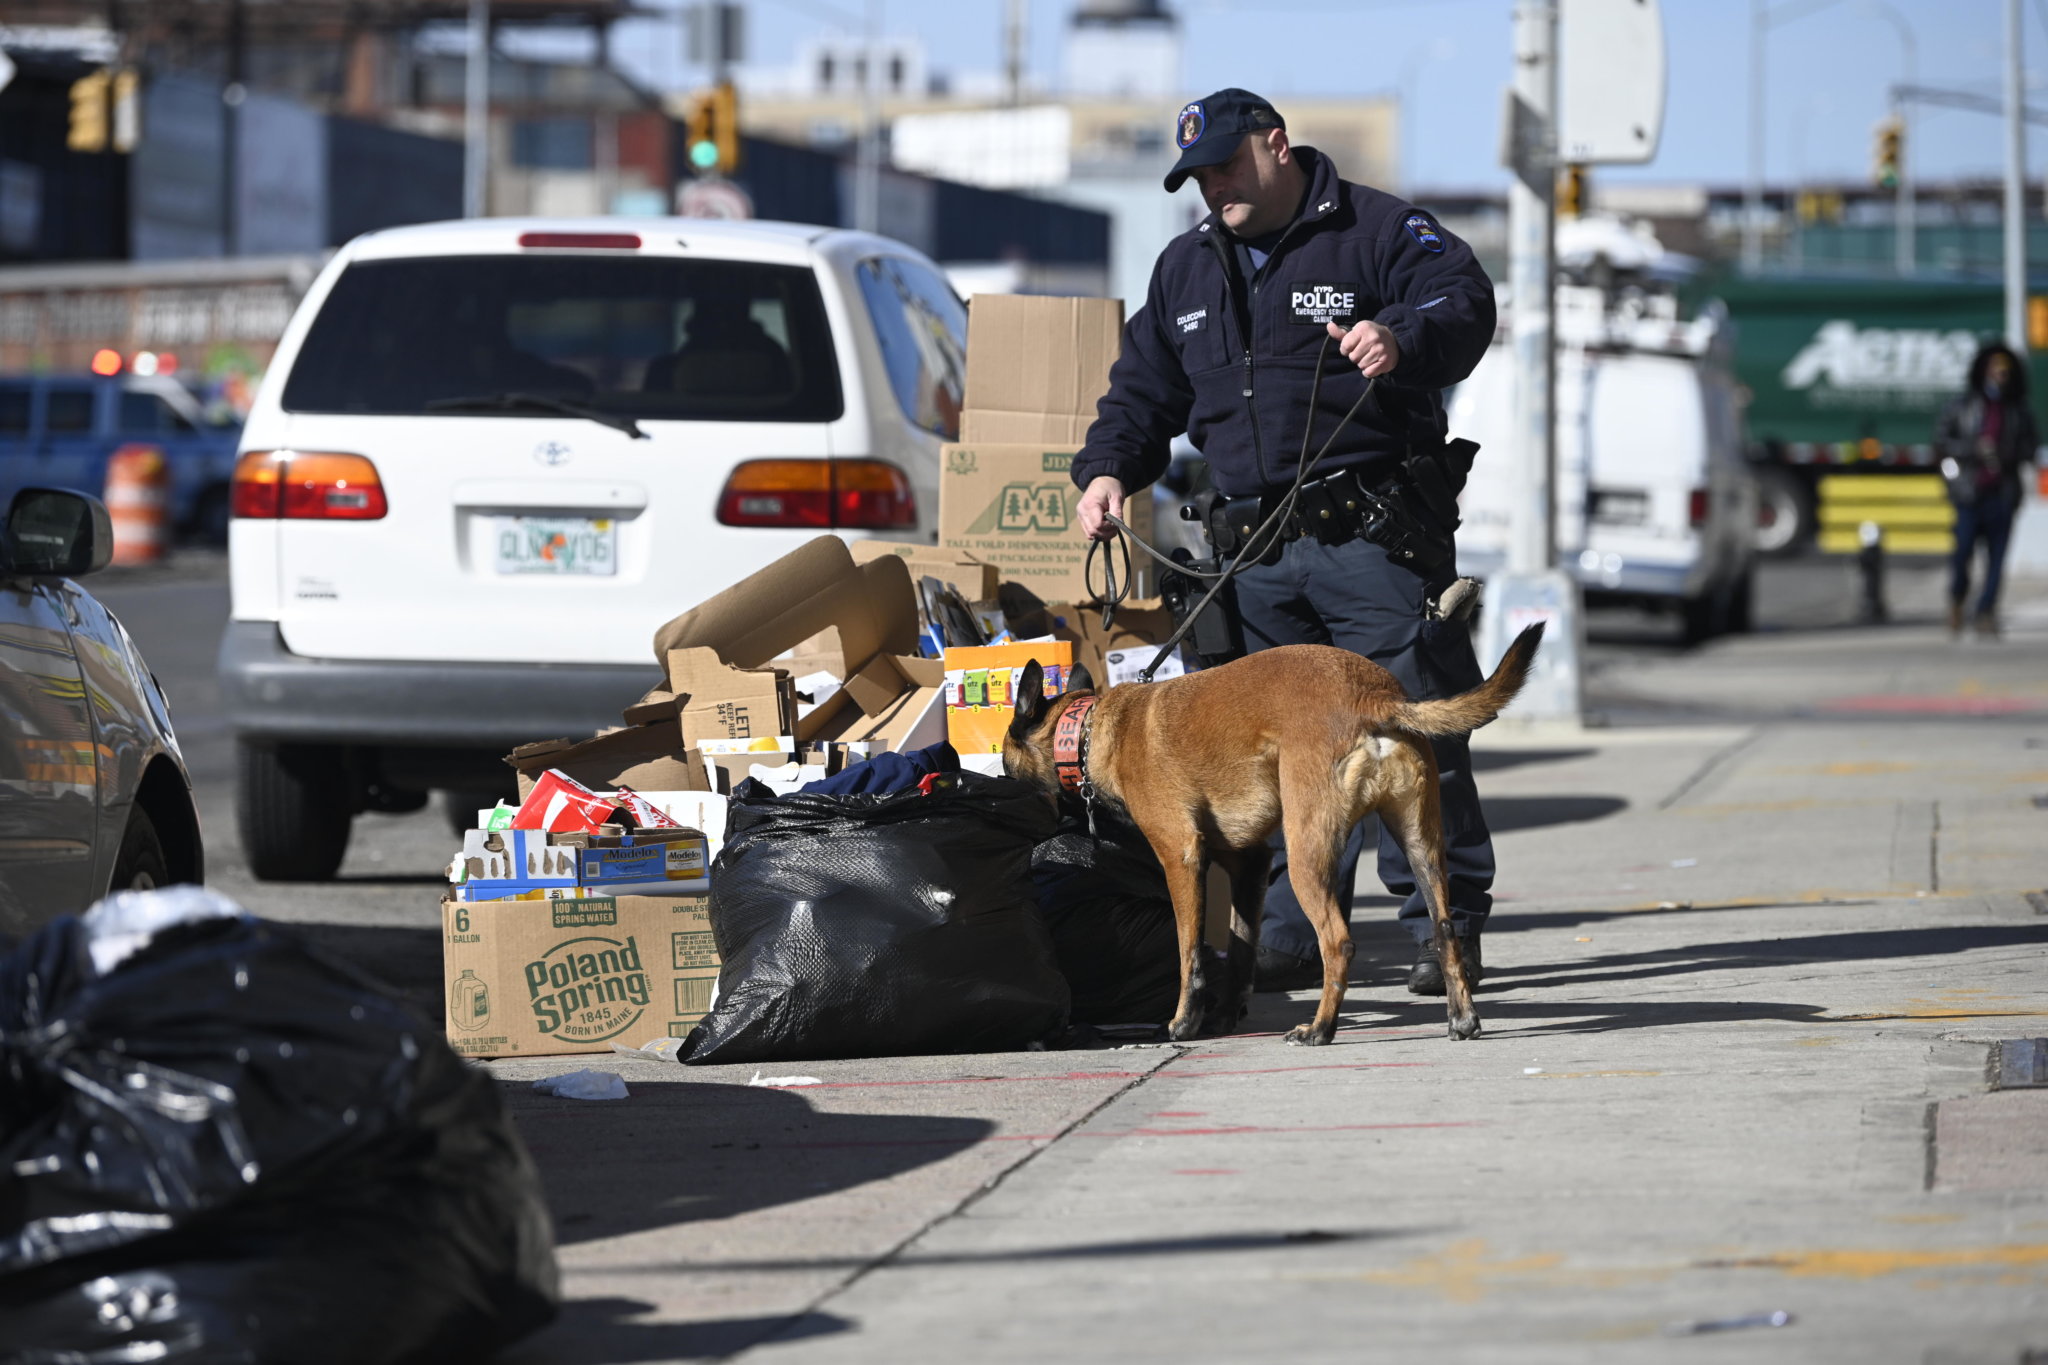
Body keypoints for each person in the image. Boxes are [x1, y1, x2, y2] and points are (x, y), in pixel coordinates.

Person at [1070, 88, 1500, 998]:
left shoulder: (1373, 230)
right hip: (1254, 556)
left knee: (1407, 734)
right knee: (1275, 757)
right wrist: (1106, 470)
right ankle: (1292, 936)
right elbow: (1142, 389)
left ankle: (1444, 930)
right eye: (1198, 177)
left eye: (1227, 166)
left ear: (1277, 145)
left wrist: (1400, 333)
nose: (1213, 187)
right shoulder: (1186, 268)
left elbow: (1464, 299)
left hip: (1370, 540)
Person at [1935, 341, 2037, 638]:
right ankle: (1957, 597)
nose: (2000, 375)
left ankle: (1986, 611)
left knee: (1996, 559)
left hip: (2002, 493)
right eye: (1995, 368)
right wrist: (1973, 450)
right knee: (1962, 552)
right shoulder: (1962, 406)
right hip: (1969, 492)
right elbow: (1943, 443)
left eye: (2005, 370)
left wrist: (2008, 453)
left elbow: (2030, 447)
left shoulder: (2017, 410)